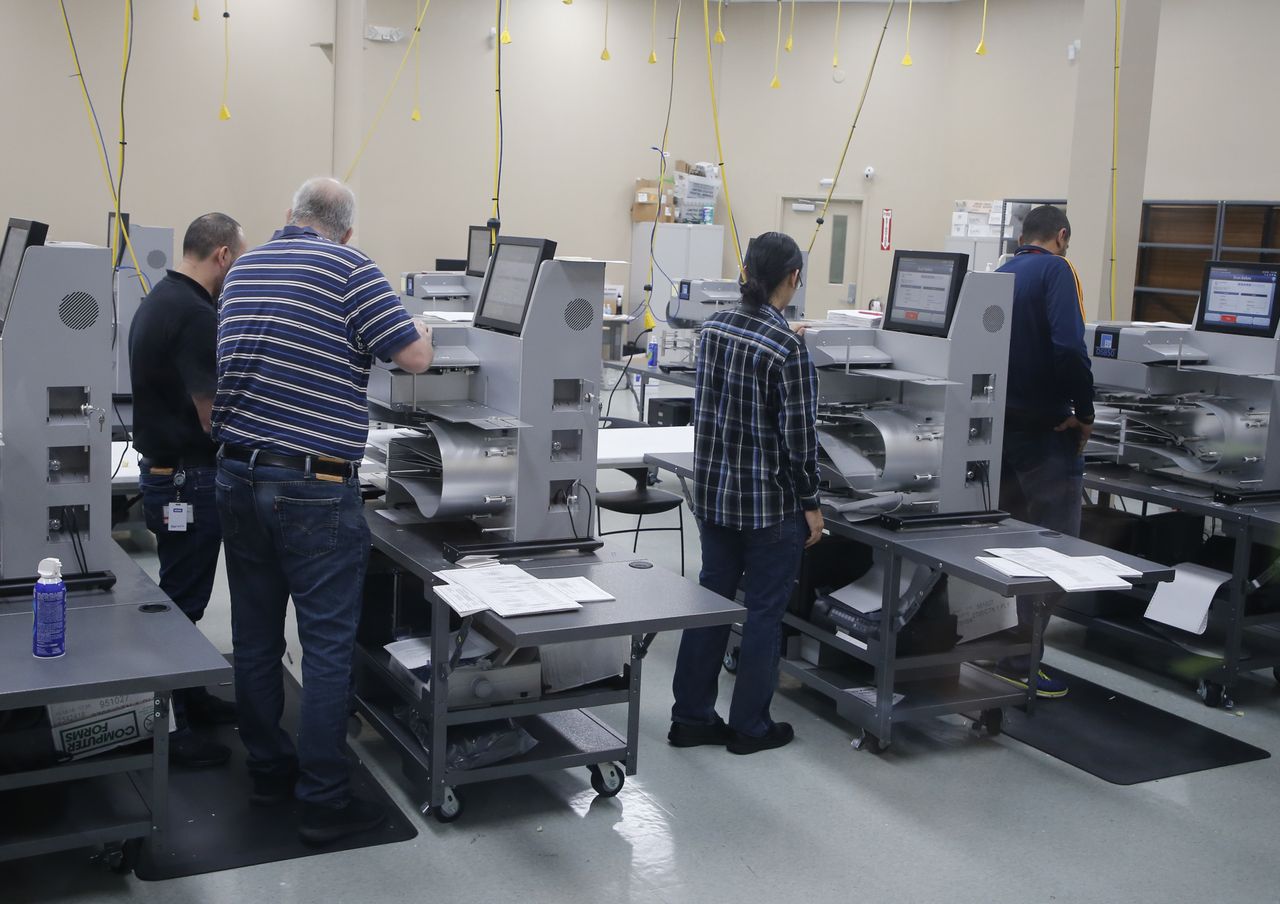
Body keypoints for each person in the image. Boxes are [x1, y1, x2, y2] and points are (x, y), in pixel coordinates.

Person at [212, 177, 433, 845]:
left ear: (290, 217)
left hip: (237, 473)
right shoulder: (350, 267)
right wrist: (418, 324)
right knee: (329, 647)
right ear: (346, 229)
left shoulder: (244, 268)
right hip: (311, 486)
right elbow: (415, 358)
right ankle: (324, 801)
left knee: (254, 639)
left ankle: (269, 773)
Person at [668, 231, 823, 755]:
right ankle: (750, 728)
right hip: (768, 508)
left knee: (711, 603)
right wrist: (812, 506)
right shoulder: (788, 350)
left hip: (714, 497)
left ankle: (690, 717)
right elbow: (800, 444)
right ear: (793, 278)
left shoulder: (712, 330)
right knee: (762, 614)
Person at [128, 212, 246, 768]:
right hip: (189, 479)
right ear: (222, 254)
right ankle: (166, 731)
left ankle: (191, 697)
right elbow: (211, 416)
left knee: (181, 592)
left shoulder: (160, 299)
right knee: (182, 604)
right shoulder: (197, 316)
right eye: (237, 258)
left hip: (166, 472)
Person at [993, 204, 1094, 699]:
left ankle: (998, 645)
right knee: (1058, 552)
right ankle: (1018, 659)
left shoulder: (1000, 273)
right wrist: (1087, 410)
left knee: (1008, 549)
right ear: (1061, 236)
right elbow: (1071, 348)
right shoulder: (1057, 271)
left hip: (999, 435)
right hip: (1048, 431)